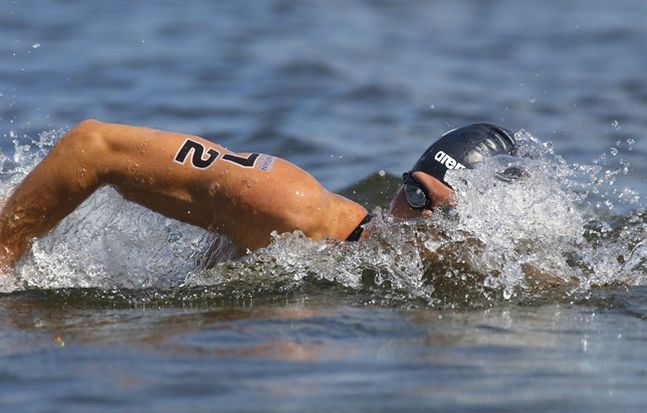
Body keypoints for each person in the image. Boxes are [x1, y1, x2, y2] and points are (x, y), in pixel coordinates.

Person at [0, 120, 516, 274]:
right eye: (412, 193)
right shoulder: (289, 207)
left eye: (439, 215)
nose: (413, 221)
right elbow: (92, 145)